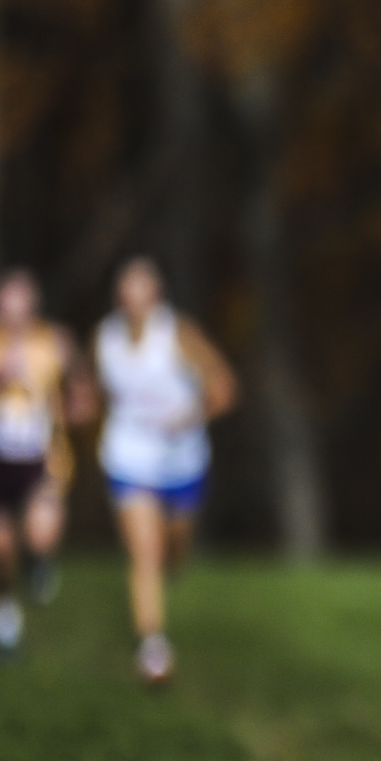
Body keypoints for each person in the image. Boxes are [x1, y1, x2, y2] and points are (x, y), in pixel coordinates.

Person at [94, 257, 237, 686]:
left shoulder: (177, 333)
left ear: (156, 296)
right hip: (128, 457)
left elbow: (224, 387)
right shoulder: (105, 338)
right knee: (145, 552)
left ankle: (173, 565)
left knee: (174, 550)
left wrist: (190, 416)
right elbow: (102, 392)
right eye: (127, 291)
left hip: (181, 460)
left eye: (143, 291)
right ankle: (153, 646)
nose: (134, 301)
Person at [0, 269, 95, 655]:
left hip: (43, 458)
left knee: (41, 532)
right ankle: (5, 619)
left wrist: (78, 409)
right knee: (0, 549)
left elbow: (82, 391)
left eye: (21, 308)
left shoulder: (54, 343)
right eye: (7, 308)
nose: (13, 317)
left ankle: (39, 561)